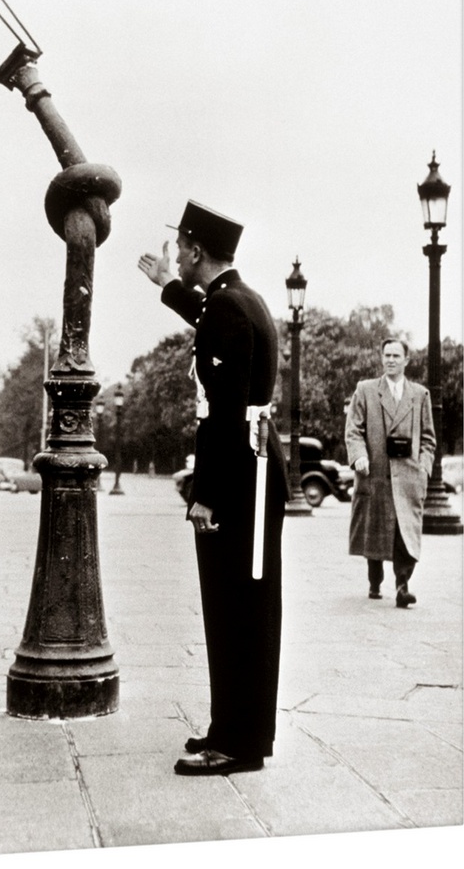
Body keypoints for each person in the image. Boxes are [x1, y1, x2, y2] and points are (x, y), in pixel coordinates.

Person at [138, 200, 288, 776]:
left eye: (180, 248)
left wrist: (205, 492)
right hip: (255, 466)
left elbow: (224, 411)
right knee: (246, 605)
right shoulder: (241, 299)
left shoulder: (227, 306)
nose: (176, 253)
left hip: (237, 473)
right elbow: (209, 318)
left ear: (196, 250)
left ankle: (239, 743)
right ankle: (238, 728)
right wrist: (169, 287)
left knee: (235, 609)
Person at [345, 338, 435, 608]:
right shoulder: (367, 390)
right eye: (387, 355)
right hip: (376, 471)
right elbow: (353, 430)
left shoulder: (420, 395)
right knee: (376, 527)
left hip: (409, 476)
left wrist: (424, 468)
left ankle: (402, 586)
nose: (391, 360)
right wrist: (359, 455)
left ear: (407, 360)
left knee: (405, 532)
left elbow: (429, 438)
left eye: (396, 355)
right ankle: (375, 580)